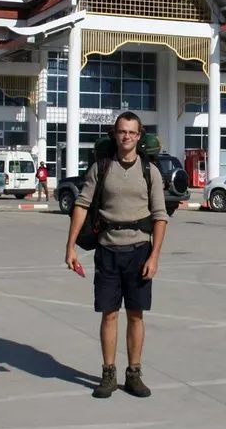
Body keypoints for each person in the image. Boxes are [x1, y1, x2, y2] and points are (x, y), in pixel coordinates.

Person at [65, 112, 168, 398]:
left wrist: (154, 256)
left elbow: (160, 217)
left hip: (139, 252)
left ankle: (134, 373)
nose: (126, 137)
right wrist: (70, 246)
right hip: (107, 250)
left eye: (132, 133)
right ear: (115, 134)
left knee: (136, 315)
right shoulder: (102, 167)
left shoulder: (150, 172)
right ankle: (108, 373)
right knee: (109, 315)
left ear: (139, 136)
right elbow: (82, 205)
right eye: (122, 131)